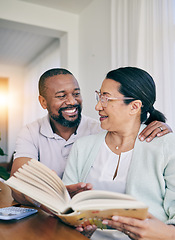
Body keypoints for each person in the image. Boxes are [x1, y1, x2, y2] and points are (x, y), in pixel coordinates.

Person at [11, 68, 171, 204]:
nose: (72, 101)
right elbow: (19, 185)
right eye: (61, 96)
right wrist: (53, 196)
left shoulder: (99, 128)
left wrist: (163, 130)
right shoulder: (32, 132)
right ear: (43, 102)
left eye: (76, 94)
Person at [62, 67, 175, 240]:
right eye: (99, 96)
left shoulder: (166, 146)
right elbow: (65, 206)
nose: (98, 106)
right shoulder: (82, 147)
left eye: (106, 98)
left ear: (134, 107)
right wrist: (73, 223)